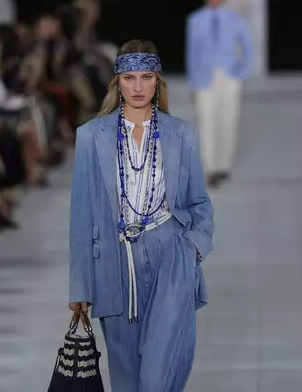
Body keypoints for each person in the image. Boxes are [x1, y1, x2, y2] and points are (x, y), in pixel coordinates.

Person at [68, 39, 214, 392]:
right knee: (125, 374)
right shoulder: (90, 137)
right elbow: (81, 218)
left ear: (157, 82)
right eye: (129, 77)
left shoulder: (182, 134)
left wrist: (194, 247)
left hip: (171, 253)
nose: (137, 87)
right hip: (114, 261)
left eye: (146, 77)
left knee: (159, 370)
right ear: (116, 81)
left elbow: (199, 202)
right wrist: (80, 285)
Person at [186, 0, 254, 188]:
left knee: (228, 119)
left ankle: (224, 165)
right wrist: (193, 83)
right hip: (204, 77)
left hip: (228, 77)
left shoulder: (235, 19)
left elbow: (248, 46)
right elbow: (192, 53)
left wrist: (241, 72)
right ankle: (210, 168)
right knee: (207, 121)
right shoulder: (195, 20)